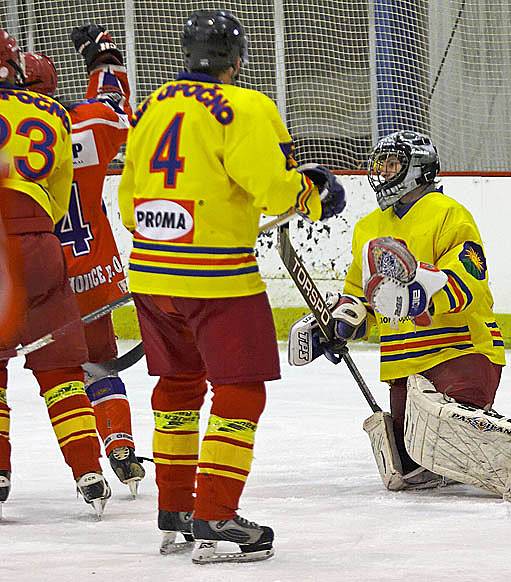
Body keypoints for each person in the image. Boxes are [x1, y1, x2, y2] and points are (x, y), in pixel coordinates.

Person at [117, 9, 345, 563]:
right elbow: (272, 187)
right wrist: (315, 195)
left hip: (149, 274)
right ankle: (215, 515)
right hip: (217, 280)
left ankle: (174, 509)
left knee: (177, 386)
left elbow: (127, 202)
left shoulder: (151, 105)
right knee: (240, 391)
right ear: (237, 59)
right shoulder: (246, 106)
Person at [290, 130, 511, 503]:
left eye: (393, 164)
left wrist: (422, 298)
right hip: (404, 365)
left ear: (418, 170)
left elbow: (470, 277)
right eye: (380, 164)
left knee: (451, 430)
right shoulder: (369, 227)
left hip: (459, 351)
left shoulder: (448, 214)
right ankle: (486, 438)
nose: (383, 172)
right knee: (409, 467)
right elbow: (363, 297)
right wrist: (342, 322)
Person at [23, 24, 146, 497]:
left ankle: (85, 471)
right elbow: (117, 106)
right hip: (94, 270)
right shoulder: (87, 123)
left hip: (38, 276)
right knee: (100, 361)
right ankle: (119, 444)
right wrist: (102, 56)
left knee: (60, 373)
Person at [0, 28, 111, 516]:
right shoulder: (52, 112)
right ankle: (88, 470)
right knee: (63, 370)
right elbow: (60, 187)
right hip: (42, 243)